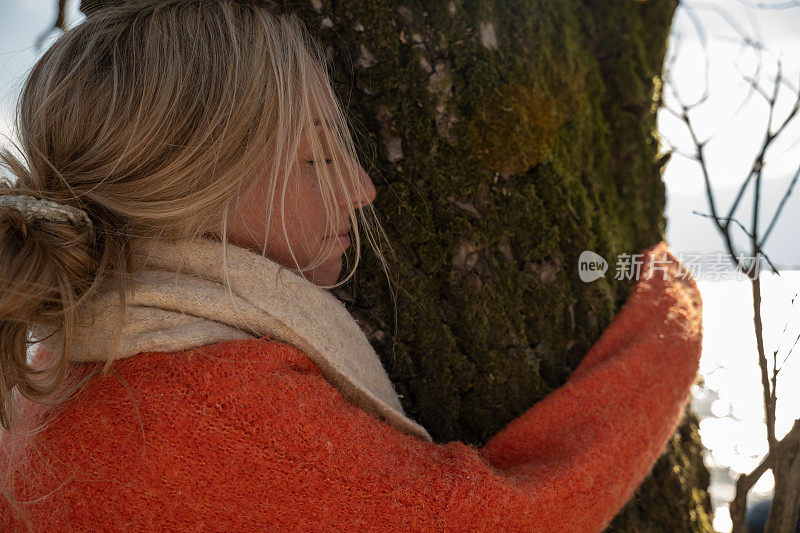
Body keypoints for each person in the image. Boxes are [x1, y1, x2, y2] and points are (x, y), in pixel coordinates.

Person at [0, 1, 703, 531]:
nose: (362, 189)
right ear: (195, 191)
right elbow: (496, 517)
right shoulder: (217, 407)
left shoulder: (60, 375)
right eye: (317, 156)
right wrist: (666, 323)